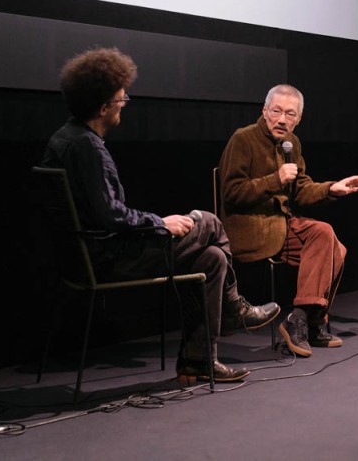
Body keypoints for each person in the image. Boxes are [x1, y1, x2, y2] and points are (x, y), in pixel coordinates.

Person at [40, 47, 280, 384]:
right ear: (104, 106)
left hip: (83, 255)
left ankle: (198, 361)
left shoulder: (65, 137)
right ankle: (234, 308)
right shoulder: (87, 147)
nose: (124, 104)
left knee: (211, 259)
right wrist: (160, 222)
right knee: (209, 222)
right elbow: (109, 214)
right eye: (122, 100)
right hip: (107, 258)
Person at [218, 84, 358, 357]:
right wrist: (274, 180)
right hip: (251, 227)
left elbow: (300, 189)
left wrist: (331, 188)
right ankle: (311, 322)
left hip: (282, 225)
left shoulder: (292, 143)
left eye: (290, 114)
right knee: (330, 243)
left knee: (329, 241)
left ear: (298, 118)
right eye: (276, 111)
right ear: (264, 111)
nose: (281, 119)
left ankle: (299, 319)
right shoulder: (243, 139)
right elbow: (231, 194)